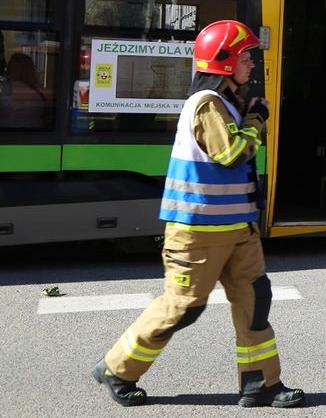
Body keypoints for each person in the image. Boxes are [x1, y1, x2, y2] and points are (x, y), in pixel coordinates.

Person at [92, 20, 305, 409]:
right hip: (198, 232)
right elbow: (231, 154)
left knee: (255, 302)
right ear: (224, 62)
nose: (251, 65)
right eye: (245, 57)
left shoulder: (225, 103)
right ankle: (117, 369)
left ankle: (262, 384)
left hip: (239, 230)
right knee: (183, 307)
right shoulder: (206, 104)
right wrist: (257, 120)